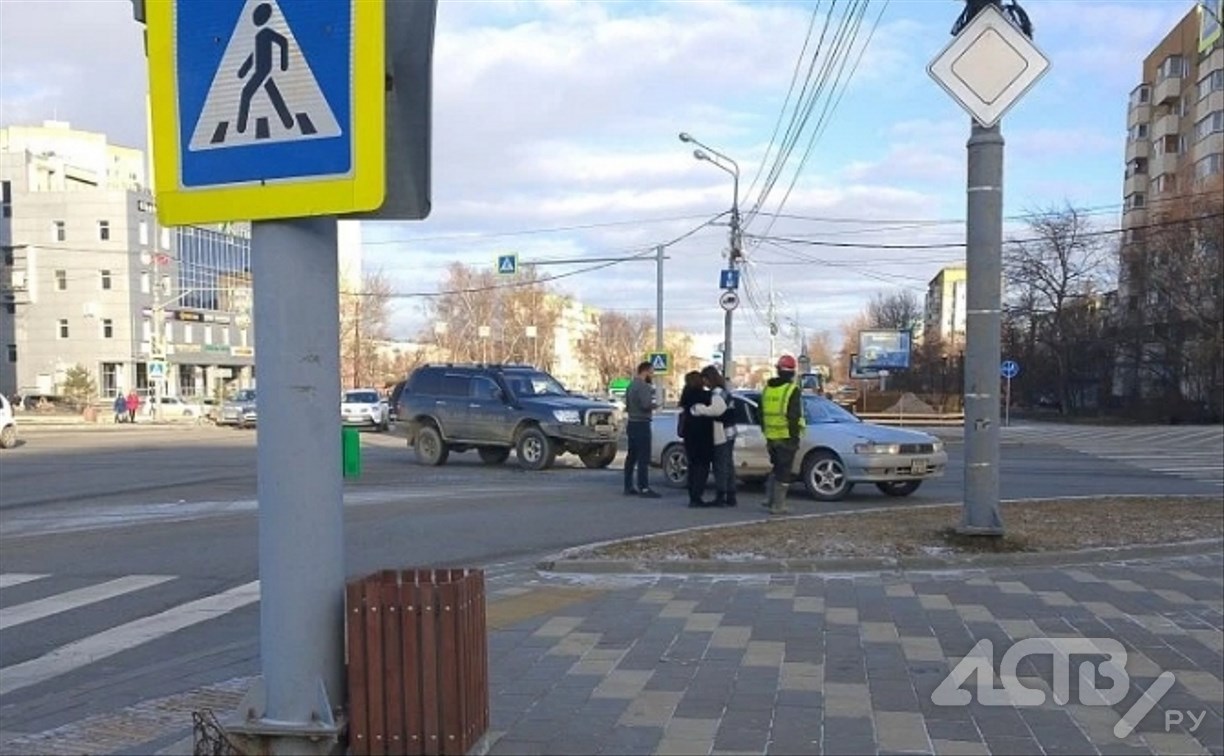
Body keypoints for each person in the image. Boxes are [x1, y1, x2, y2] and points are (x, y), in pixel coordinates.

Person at [760, 355, 804, 515]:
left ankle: (769, 499)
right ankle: (778, 505)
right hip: (786, 437)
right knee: (784, 471)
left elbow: (760, 413)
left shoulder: (767, 389)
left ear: (778, 370)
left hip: (771, 437)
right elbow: (794, 416)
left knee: (777, 467)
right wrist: (794, 437)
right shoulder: (791, 390)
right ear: (792, 372)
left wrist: (766, 432)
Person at [692, 365, 736, 507]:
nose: (704, 383)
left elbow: (716, 410)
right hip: (730, 431)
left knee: (720, 465)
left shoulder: (717, 393)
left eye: (705, 379)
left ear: (708, 378)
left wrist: (699, 409)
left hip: (722, 433)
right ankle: (731, 495)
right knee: (728, 465)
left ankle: (721, 496)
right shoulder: (725, 392)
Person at [623, 361, 661, 498]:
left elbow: (627, 405)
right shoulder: (644, 387)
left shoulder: (631, 385)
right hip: (642, 423)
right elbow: (645, 405)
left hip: (632, 422)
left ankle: (628, 486)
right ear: (645, 371)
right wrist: (655, 405)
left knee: (631, 456)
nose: (652, 374)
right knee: (643, 457)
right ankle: (643, 487)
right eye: (651, 372)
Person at [679, 370, 716, 508]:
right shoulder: (705, 396)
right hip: (703, 434)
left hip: (689, 434)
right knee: (703, 466)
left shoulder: (686, 396)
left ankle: (692, 496)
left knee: (693, 465)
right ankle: (697, 496)